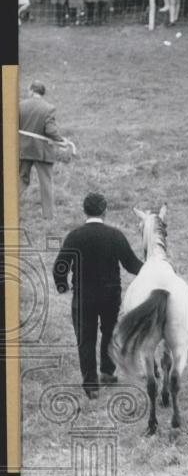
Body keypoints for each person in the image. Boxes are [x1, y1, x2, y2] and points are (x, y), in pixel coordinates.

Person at [52, 194, 144, 400]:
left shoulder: (75, 236)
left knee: (85, 339)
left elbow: (60, 267)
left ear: (84, 211)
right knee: (110, 333)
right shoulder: (115, 235)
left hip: (84, 297)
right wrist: (154, 269)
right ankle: (107, 373)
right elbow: (132, 265)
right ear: (105, 211)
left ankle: (91, 385)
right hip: (110, 296)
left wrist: (62, 286)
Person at [19, 81, 70, 221]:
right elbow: (50, 130)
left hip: (23, 149)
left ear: (31, 90)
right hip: (42, 152)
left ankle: (7, 205)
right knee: (46, 182)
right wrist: (61, 141)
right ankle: (48, 216)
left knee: (21, 179)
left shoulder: (20, 105)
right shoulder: (49, 108)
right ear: (42, 93)